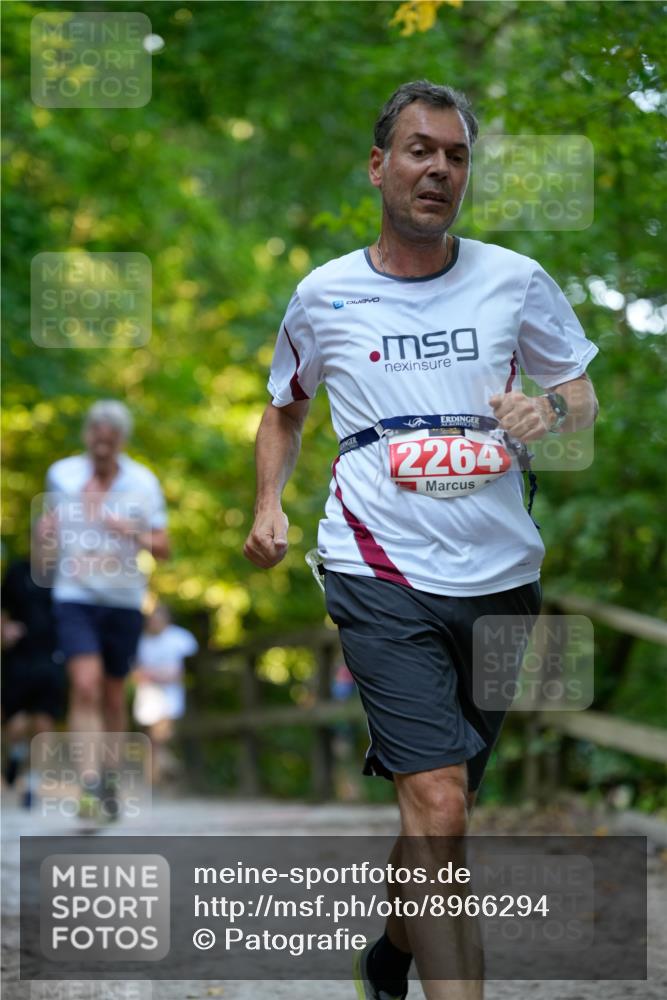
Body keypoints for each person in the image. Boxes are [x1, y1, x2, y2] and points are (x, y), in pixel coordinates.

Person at [244, 80, 599, 1000]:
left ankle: (392, 953)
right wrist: (267, 506)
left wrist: (547, 406)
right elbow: (284, 412)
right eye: (418, 149)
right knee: (438, 801)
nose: (437, 167)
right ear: (378, 165)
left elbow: (581, 396)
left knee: (442, 811)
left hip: (500, 572)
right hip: (375, 566)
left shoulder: (514, 279)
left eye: (454, 154)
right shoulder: (323, 295)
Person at [36, 400, 170, 817]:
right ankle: (89, 783)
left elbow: (164, 548)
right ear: (86, 437)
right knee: (86, 684)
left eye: (109, 443)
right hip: (74, 594)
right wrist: (45, 535)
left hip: (124, 599)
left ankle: (109, 777)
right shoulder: (61, 475)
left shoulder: (143, 483)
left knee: (113, 695)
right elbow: (43, 546)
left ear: (121, 442)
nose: (101, 449)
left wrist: (129, 530)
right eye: (95, 440)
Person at [1, 556, 65, 807]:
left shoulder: (67, 572)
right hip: (19, 658)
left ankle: (32, 784)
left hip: (52, 658)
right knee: (15, 724)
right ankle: (16, 756)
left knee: (44, 721)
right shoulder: (18, 570)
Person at [131, 602, 198, 784]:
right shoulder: (141, 640)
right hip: (147, 697)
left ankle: (159, 774)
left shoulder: (179, 638)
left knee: (160, 737)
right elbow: (135, 671)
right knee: (153, 740)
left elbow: (190, 666)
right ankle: (163, 772)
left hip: (170, 698)